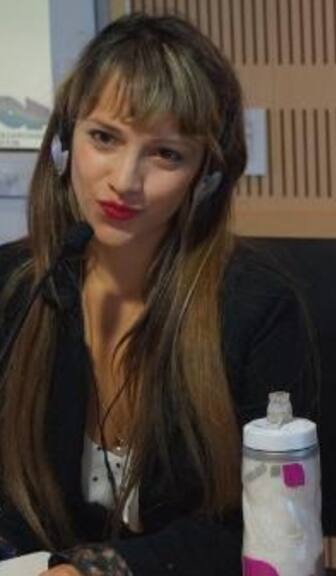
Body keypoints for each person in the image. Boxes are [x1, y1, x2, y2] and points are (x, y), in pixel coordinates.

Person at [0, 13, 316, 576]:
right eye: (104, 138)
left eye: (166, 154)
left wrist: (94, 571)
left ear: (206, 176)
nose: (125, 180)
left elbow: (259, 528)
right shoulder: (15, 285)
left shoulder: (257, 308)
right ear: (64, 144)